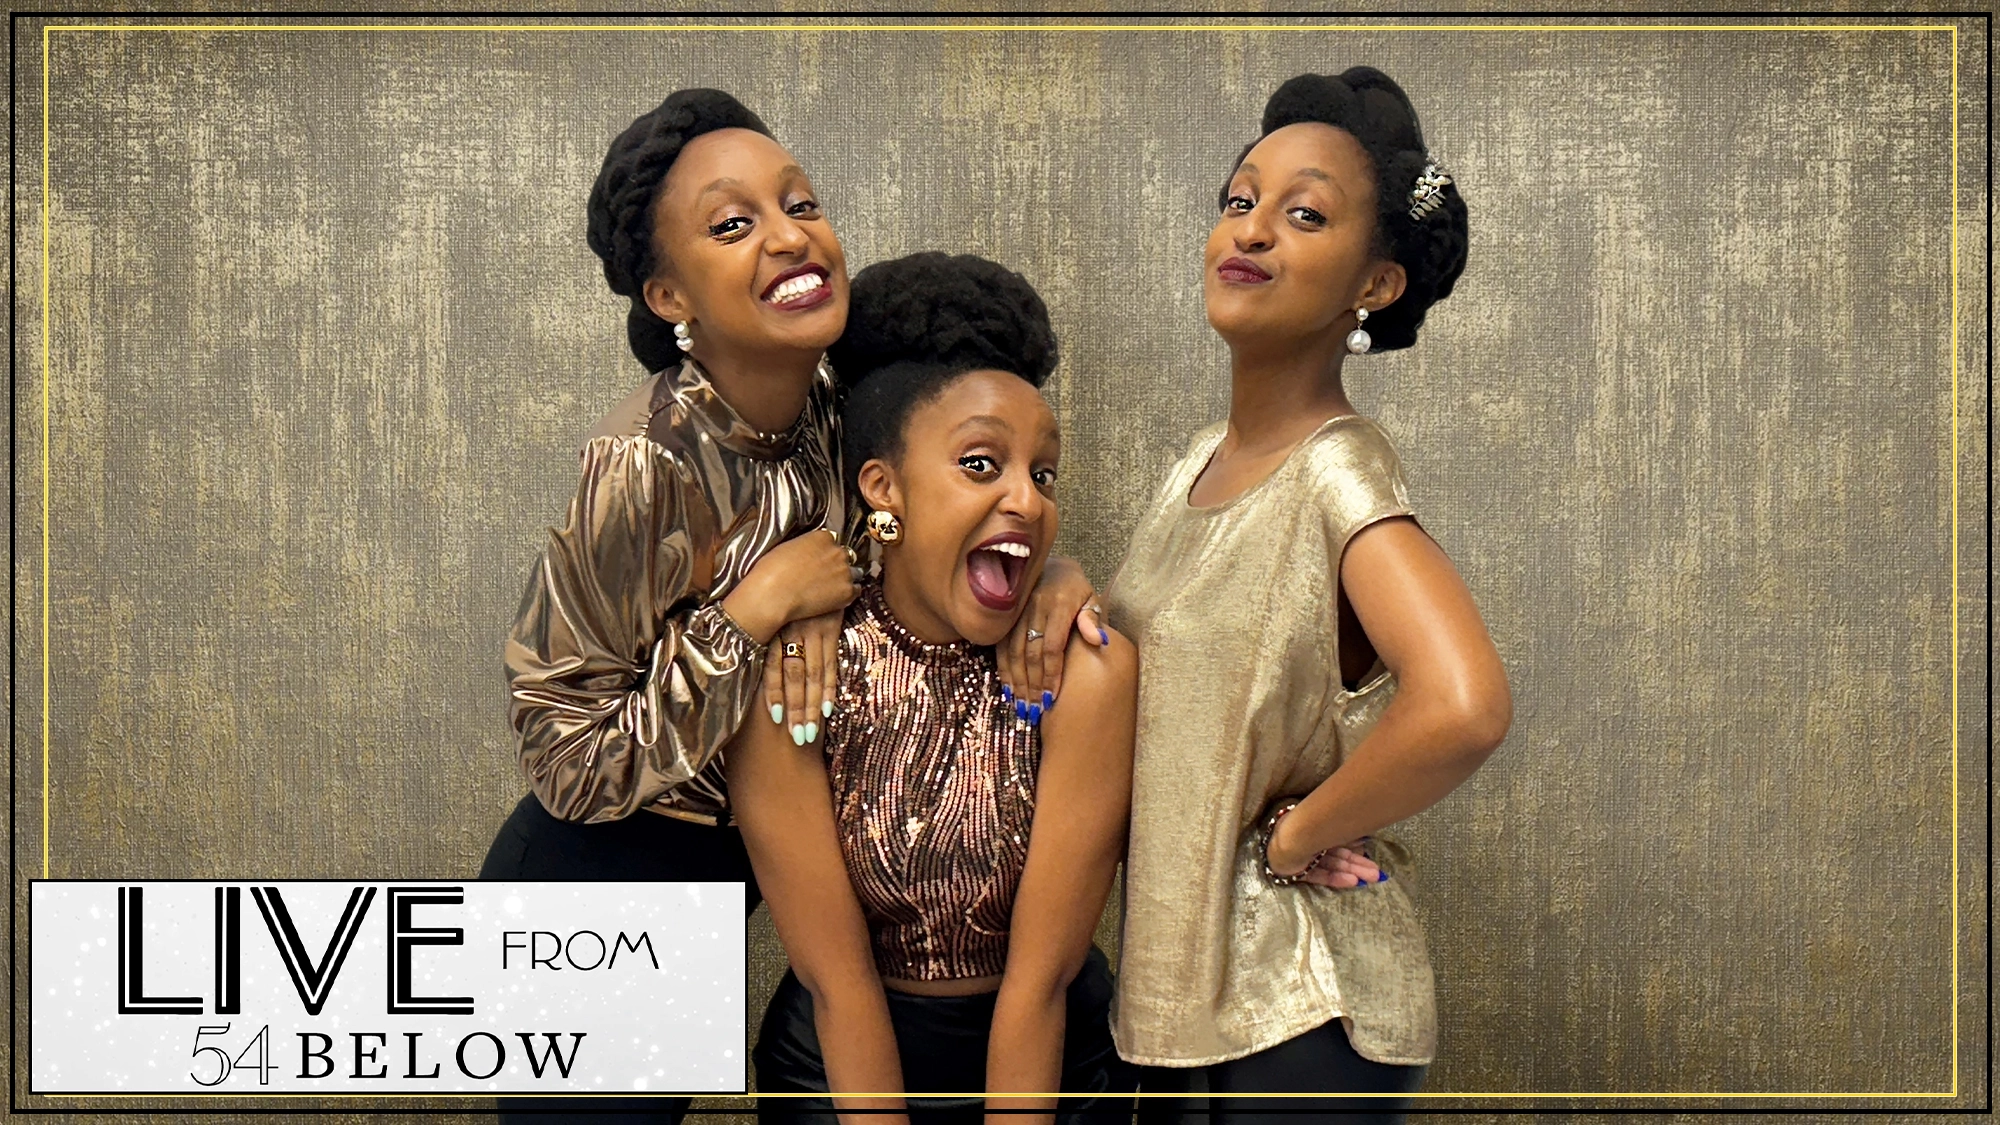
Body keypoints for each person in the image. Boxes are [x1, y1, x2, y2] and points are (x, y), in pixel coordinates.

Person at [1106, 68, 1511, 1125]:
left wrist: (1295, 836)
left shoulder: (1338, 474)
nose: (1249, 232)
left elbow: (1461, 705)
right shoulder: (1196, 461)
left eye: (1302, 214)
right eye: (1238, 202)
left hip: (1298, 1013)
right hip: (1182, 1002)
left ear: (1371, 285)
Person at [729, 253, 1140, 1124]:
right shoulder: (801, 672)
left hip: (1050, 1059)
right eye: (983, 464)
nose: (1027, 499)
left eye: (1044, 472)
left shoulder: (1087, 668)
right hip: (840, 1067)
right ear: (884, 489)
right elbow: (835, 981)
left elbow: (1044, 977)